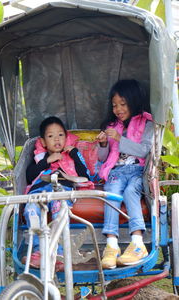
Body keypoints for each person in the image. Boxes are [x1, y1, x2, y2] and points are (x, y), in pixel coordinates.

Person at [96, 79, 154, 269]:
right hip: (117, 172)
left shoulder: (147, 123)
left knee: (130, 192)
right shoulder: (112, 125)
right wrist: (103, 144)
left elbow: (144, 151)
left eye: (123, 104)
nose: (118, 109)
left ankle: (138, 244)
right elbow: (104, 158)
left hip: (138, 171)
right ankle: (111, 246)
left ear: (134, 101)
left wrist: (120, 139)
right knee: (111, 193)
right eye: (114, 105)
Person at [23, 116, 92, 269]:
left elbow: (85, 175)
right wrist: (47, 161)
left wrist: (74, 153)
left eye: (60, 135)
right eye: (51, 136)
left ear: (66, 137)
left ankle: (59, 253)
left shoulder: (71, 156)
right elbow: (29, 176)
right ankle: (39, 251)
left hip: (62, 189)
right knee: (31, 210)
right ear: (43, 142)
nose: (56, 139)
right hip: (40, 189)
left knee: (59, 211)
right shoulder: (41, 158)